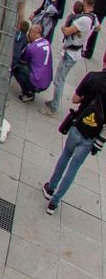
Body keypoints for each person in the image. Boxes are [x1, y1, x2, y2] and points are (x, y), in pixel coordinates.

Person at [45, 62, 106, 214]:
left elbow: (75, 99)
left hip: (78, 125)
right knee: (74, 167)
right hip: (91, 135)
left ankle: (51, 188)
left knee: (65, 155)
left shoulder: (92, 76)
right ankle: (54, 203)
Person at [48, 0, 97, 115]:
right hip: (76, 51)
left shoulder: (83, 19)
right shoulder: (94, 17)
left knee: (59, 79)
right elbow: (98, 28)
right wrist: (84, 33)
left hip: (71, 53)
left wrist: (63, 27)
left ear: (85, 1)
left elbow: (66, 31)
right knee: (60, 78)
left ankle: (54, 106)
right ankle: (53, 102)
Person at [12, 21, 53, 102]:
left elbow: (22, 60)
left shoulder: (31, 48)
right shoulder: (46, 42)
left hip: (38, 80)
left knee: (17, 68)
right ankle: (31, 89)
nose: (28, 35)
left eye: (29, 33)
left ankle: (28, 93)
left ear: (34, 33)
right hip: (47, 80)